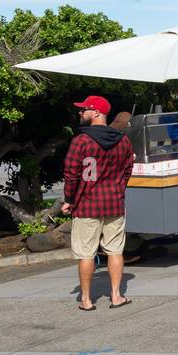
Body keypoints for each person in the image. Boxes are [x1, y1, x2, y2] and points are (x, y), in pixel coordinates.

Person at [61, 95, 135, 311]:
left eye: (84, 109)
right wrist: (118, 188)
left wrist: (69, 199)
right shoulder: (123, 141)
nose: (80, 113)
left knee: (86, 254)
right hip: (114, 204)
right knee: (115, 251)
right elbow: (128, 169)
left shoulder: (80, 141)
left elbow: (71, 174)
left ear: (96, 113)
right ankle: (116, 295)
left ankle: (86, 299)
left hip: (86, 205)